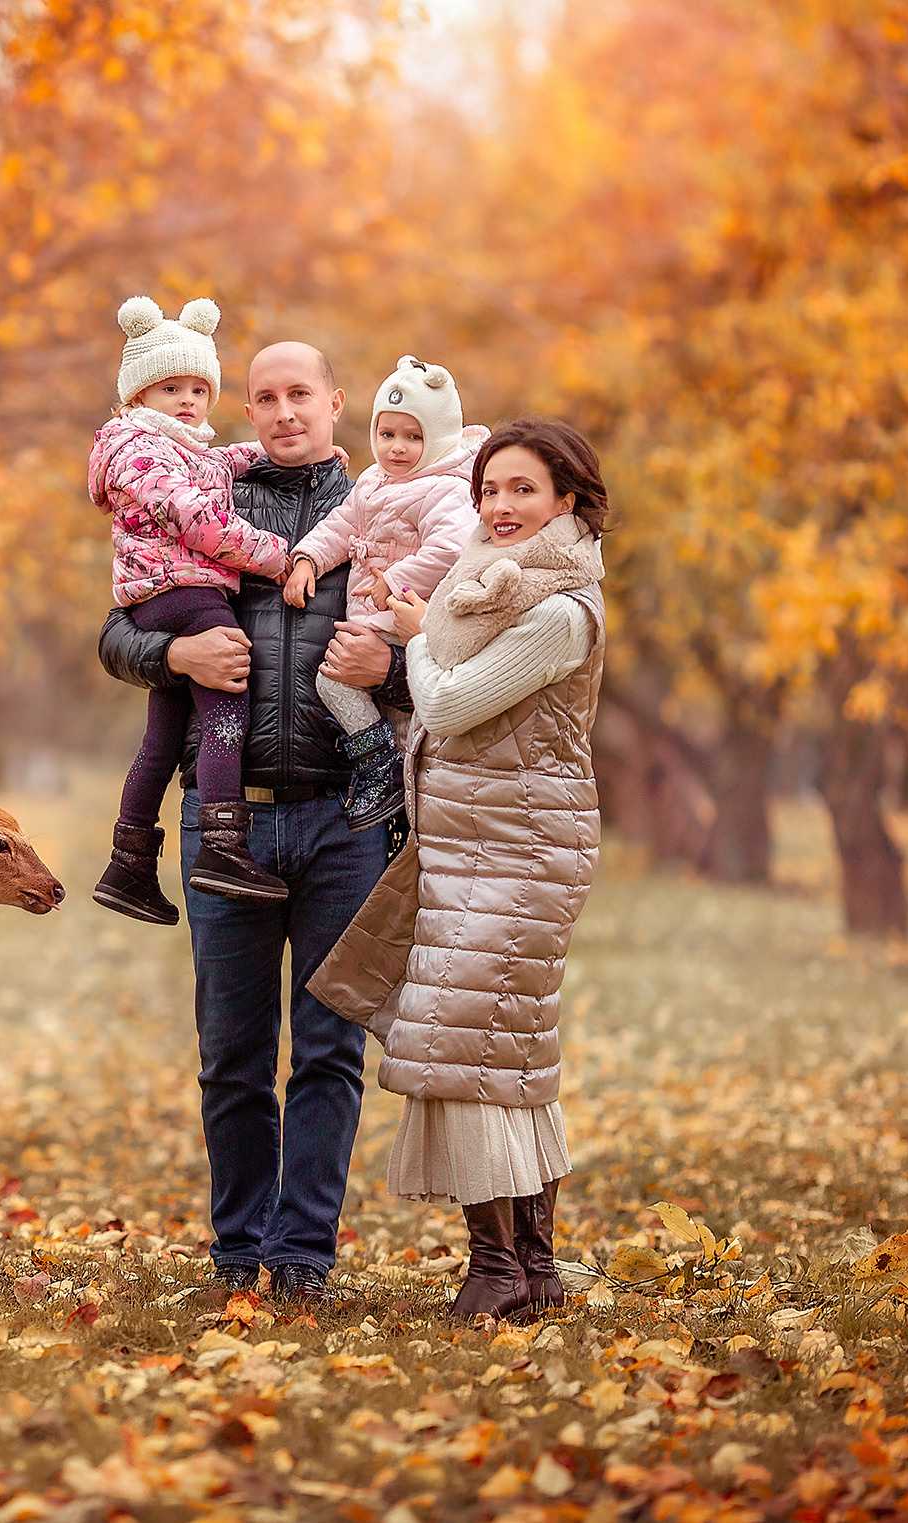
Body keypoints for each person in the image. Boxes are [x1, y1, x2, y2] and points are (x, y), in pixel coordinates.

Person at [97, 341, 410, 1301]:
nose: (282, 412)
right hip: (224, 817)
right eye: (264, 396)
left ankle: (303, 1259)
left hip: (342, 818)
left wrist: (388, 675)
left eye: (300, 395)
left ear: (334, 402)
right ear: (247, 407)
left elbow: (439, 649)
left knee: (328, 1050)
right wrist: (173, 661)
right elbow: (117, 629)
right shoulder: (198, 493)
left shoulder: (389, 510)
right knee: (232, 1054)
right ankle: (238, 1255)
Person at [307, 415, 610, 1320]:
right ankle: (535, 1270)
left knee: (463, 1044)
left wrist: (412, 639)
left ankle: (498, 1269)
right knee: (504, 1051)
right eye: (488, 490)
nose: (501, 507)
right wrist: (425, 626)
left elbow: (446, 698)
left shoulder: (559, 610)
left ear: (568, 500)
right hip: (474, 841)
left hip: (518, 850)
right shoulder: (487, 589)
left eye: (523, 489)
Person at [90, 296, 293, 923]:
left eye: (199, 388)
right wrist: (277, 555)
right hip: (182, 593)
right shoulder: (138, 451)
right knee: (228, 692)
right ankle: (222, 843)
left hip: (168, 596)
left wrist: (263, 456)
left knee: (161, 736)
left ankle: (128, 862)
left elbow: (215, 466)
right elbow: (196, 518)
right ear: (136, 395)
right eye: (169, 386)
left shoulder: (175, 446)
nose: (187, 400)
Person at [283, 356, 485, 832]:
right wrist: (307, 559)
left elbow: (451, 550)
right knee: (355, 687)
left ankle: (380, 767)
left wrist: (394, 580)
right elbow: (340, 525)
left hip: (406, 615)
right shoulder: (374, 481)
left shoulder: (446, 489)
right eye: (387, 433)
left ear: (438, 438)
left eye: (413, 437)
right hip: (373, 617)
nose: (396, 448)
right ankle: (384, 772)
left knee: (333, 679)